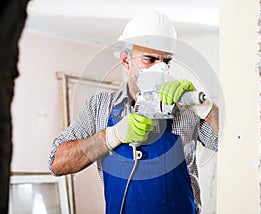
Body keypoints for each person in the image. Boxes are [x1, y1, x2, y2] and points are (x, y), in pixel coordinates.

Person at [49, 10, 219, 214]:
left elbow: (232, 145)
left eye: (166, 61)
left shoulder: (186, 107)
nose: (160, 69)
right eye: (149, 59)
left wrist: (205, 106)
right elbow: (57, 163)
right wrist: (113, 135)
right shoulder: (99, 106)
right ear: (126, 60)